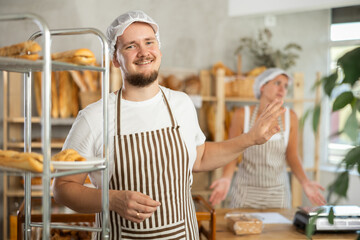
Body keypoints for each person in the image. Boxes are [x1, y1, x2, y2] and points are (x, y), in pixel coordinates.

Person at [52, 10, 284, 240]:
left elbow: (200, 158)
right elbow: (62, 188)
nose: (143, 52)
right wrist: (111, 200)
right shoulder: (93, 117)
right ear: (115, 58)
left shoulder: (180, 104)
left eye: (149, 42)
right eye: (131, 46)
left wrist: (251, 138)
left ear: (159, 49)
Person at [209, 68, 327, 209]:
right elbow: (233, 152)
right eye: (277, 83)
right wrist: (226, 179)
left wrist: (305, 182)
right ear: (262, 86)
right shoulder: (242, 115)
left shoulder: (291, 117)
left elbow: (292, 155)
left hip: (278, 193)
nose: (282, 89)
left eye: (285, 86)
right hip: (245, 192)